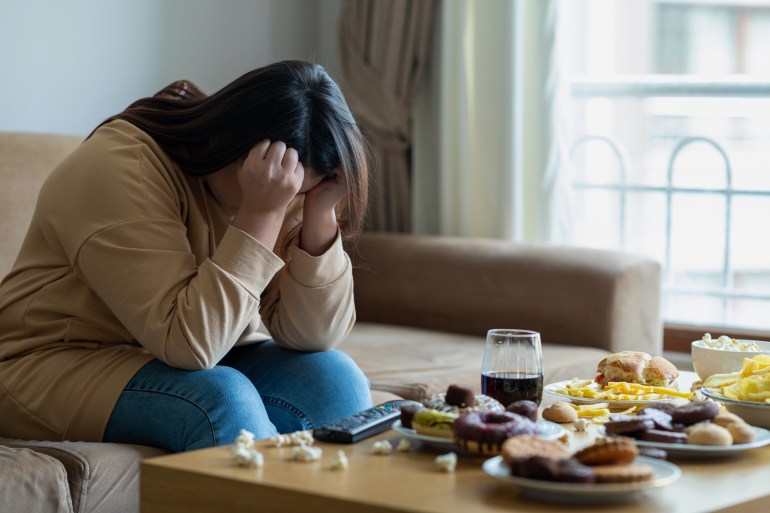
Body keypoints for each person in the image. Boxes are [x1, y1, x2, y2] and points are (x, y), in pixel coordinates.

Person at [0, 60, 374, 452]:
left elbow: (312, 335)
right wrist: (261, 212)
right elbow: (191, 345)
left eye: (302, 191)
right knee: (222, 400)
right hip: (50, 365)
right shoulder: (120, 166)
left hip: (176, 359)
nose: (289, 202)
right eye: (291, 192)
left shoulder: (285, 185)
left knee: (334, 380)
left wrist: (320, 213)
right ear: (234, 143)